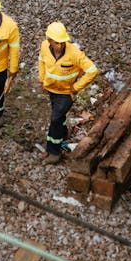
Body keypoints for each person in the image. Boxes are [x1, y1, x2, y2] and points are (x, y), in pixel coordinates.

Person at [38, 22, 100, 165]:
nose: (60, 45)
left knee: (55, 119)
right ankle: (63, 133)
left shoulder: (75, 54)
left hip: (67, 93)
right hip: (51, 89)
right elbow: (41, 61)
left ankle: (54, 152)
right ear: (49, 41)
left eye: (62, 42)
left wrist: (76, 87)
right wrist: (42, 80)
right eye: (57, 42)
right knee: (58, 117)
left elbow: (92, 70)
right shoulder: (44, 47)